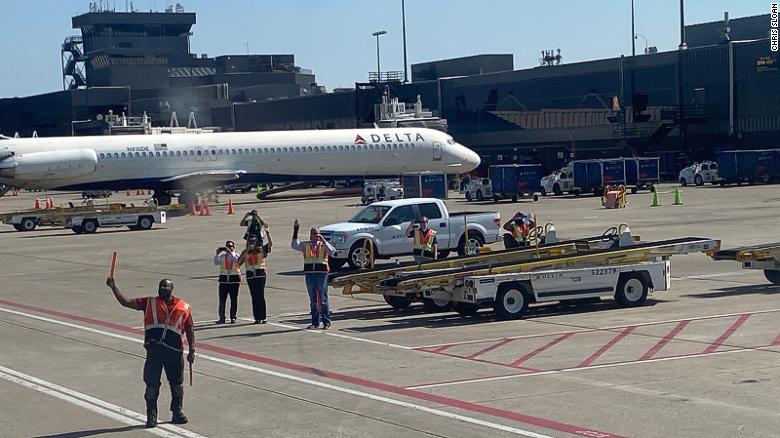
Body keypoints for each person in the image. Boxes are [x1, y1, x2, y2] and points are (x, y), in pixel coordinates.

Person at [105, 277, 195, 428]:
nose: (163, 288)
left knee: (177, 385)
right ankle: (151, 415)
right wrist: (114, 288)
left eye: (166, 286)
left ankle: (177, 412)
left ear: (172, 289)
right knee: (152, 385)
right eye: (161, 286)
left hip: (174, 352)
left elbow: (190, 329)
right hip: (155, 352)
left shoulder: (182, 306)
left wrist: (192, 350)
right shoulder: (149, 302)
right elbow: (126, 302)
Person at [291, 219, 337, 329]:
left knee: (323, 299)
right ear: (310, 235)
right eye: (313, 233)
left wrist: (324, 241)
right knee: (313, 301)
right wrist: (296, 230)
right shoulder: (306, 245)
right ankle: (315, 322)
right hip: (310, 274)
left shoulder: (324, 245)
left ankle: (326, 322)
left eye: (316, 233)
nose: (315, 235)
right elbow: (294, 245)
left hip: (321, 274)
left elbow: (333, 252)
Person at [238, 236, 268, 324]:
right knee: (254, 296)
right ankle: (257, 317)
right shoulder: (245, 252)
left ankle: (263, 316)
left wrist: (267, 233)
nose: (252, 243)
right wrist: (247, 250)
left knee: (260, 296)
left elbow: (268, 248)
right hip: (251, 276)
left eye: (253, 241)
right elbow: (238, 263)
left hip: (260, 275)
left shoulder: (260, 250)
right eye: (250, 241)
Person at [214, 240, 241, 324]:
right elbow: (216, 262)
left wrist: (230, 252)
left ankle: (233, 317)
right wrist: (218, 253)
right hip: (224, 280)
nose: (229, 248)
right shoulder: (223, 257)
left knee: (234, 300)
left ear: (234, 247)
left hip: (234, 280)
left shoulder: (236, 255)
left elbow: (236, 261)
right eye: (227, 246)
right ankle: (222, 317)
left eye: (231, 246)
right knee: (222, 300)